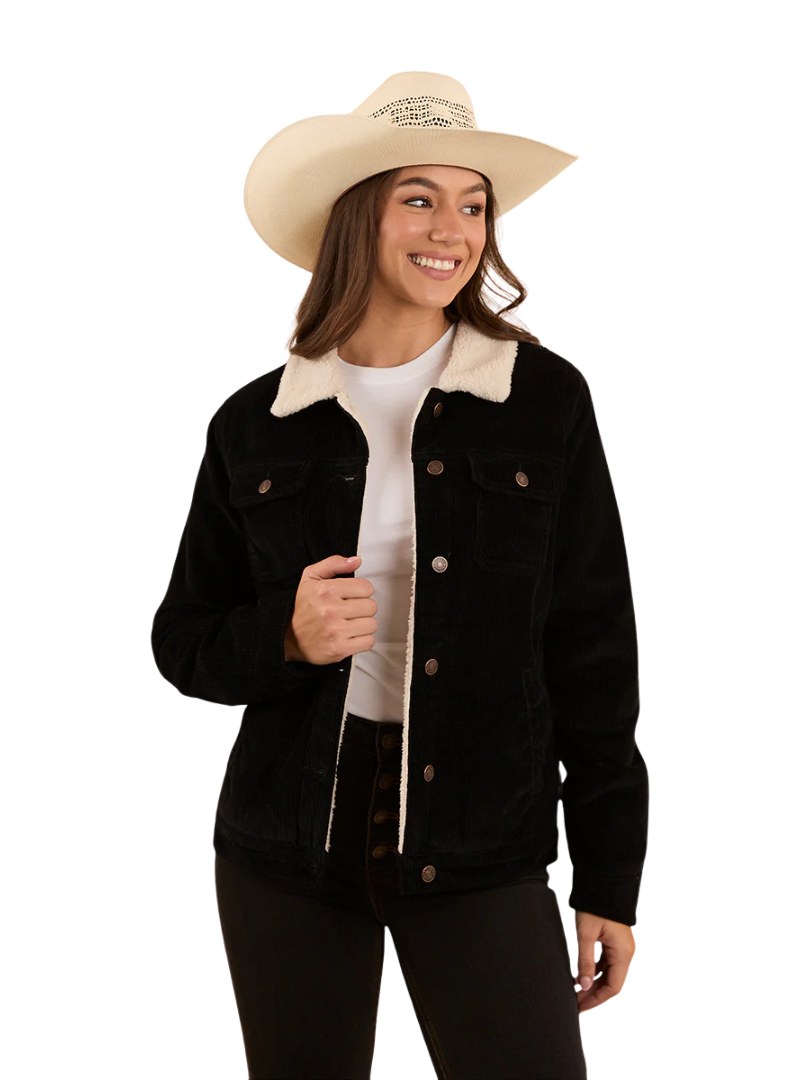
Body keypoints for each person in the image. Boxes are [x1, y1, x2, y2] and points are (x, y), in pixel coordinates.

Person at [151, 71, 648, 1080]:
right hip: (286, 844)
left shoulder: (541, 401)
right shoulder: (257, 422)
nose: (451, 230)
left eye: (473, 205)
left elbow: (593, 649)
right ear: (357, 217)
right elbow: (184, 639)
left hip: (481, 837)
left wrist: (608, 875)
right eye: (418, 198)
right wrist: (285, 638)